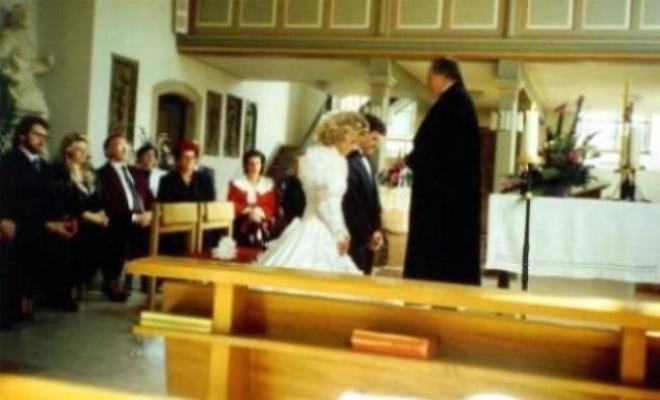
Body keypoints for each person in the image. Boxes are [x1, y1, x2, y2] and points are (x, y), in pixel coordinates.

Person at [258, 112, 368, 274]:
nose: (353, 147)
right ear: (340, 136)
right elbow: (323, 201)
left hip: (330, 228)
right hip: (314, 228)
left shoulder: (340, 161)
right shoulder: (316, 158)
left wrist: (342, 232)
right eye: (352, 142)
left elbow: (336, 204)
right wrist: (338, 233)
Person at [403, 57, 481, 285]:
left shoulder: (453, 102)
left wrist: (413, 159)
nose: (428, 82)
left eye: (430, 77)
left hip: (443, 195)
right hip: (448, 191)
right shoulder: (455, 101)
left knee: (438, 249)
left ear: (444, 75)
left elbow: (436, 149)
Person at [0, 116, 77, 323]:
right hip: (17, 222)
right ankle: (17, 302)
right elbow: (10, 199)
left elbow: (51, 200)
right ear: (22, 136)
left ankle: (45, 296)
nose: (42, 140)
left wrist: (64, 219)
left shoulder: (44, 166)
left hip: (40, 223)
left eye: (45, 136)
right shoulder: (8, 162)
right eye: (37, 135)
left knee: (71, 239)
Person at [51, 133, 109, 299]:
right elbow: (65, 201)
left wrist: (102, 213)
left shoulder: (90, 172)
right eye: (80, 149)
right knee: (83, 235)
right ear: (68, 151)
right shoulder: (59, 172)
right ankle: (69, 287)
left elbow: (98, 198)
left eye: (86, 149)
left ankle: (82, 281)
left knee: (107, 234)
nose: (85, 153)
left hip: (91, 218)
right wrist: (90, 216)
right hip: (69, 217)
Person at [97, 134, 153, 301]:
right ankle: (112, 280)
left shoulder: (133, 172)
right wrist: (135, 217)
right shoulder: (102, 174)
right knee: (119, 231)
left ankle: (153, 278)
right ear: (107, 151)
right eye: (118, 145)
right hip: (117, 219)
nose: (124, 148)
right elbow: (109, 203)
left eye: (126, 145)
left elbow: (147, 196)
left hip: (139, 217)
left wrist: (150, 213)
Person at [342, 114, 386, 275]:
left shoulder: (367, 161)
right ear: (362, 134)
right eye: (374, 139)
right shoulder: (348, 163)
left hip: (367, 241)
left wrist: (378, 230)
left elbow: (373, 201)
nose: (376, 145)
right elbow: (353, 206)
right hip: (355, 239)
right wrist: (368, 234)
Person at [158, 140, 216, 251]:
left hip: (200, 227)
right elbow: (164, 207)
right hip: (175, 228)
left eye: (193, 158)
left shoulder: (205, 179)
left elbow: (210, 205)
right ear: (178, 159)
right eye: (185, 157)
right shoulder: (166, 180)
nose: (190, 161)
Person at [0, 4, 54, 118]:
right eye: (23, 14)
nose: (27, 17)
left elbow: (28, 65)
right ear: (15, 17)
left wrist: (44, 64)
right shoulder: (9, 36)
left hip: (29, 84)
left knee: (42, 114)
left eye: (28, 14)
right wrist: (10, 74)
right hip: (18, 86)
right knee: (36, 114)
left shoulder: (24, 38)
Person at [228, 150, 277, 248]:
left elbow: (272, 206)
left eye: (258, 163)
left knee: (257, 222)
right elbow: (232, 204)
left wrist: (259, 211)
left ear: (261, 165)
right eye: (251, 163)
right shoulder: (236, 183)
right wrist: (249, 211)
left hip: (263, 219)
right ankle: (257, 242)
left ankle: (258, 240)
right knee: (253, 222)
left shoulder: (268, 184)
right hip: (242, 218)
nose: (255, 167)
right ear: (246, 165)